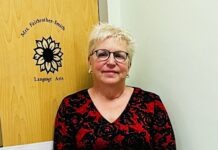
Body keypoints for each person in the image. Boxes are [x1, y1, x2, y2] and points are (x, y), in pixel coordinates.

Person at [53, 23, 176, 150]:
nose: (111, 62)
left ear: (129, 65)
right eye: (102, 54)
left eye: (119, 55)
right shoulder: (70, 106)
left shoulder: (152, 104)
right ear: (89, 61)